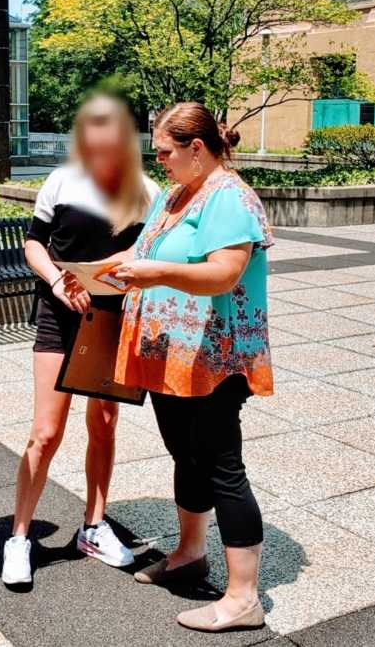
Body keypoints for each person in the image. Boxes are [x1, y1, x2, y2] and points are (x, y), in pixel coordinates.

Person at [76, 102, 274, 631]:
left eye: (165, 151)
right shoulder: (176, 193)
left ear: (197, 148)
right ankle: (190, 553)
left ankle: (243, 598)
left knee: (220, 464)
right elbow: (145, 250)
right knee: (185, 454)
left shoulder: (230, 198)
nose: (158, 160)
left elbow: (224, 274)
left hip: (214, 354)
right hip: (170, 352)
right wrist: (100, 272)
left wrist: (153, 271)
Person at [1, 94, 160, 586]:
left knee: (105, 423)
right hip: (58, 312)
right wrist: (54, 279)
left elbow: (149, 248)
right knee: (46, 431)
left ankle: (93, 526)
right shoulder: (62, 180)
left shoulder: (146, 191)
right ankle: (19, 537)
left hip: (113, 318)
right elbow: (34, 243)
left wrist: (119, 267)